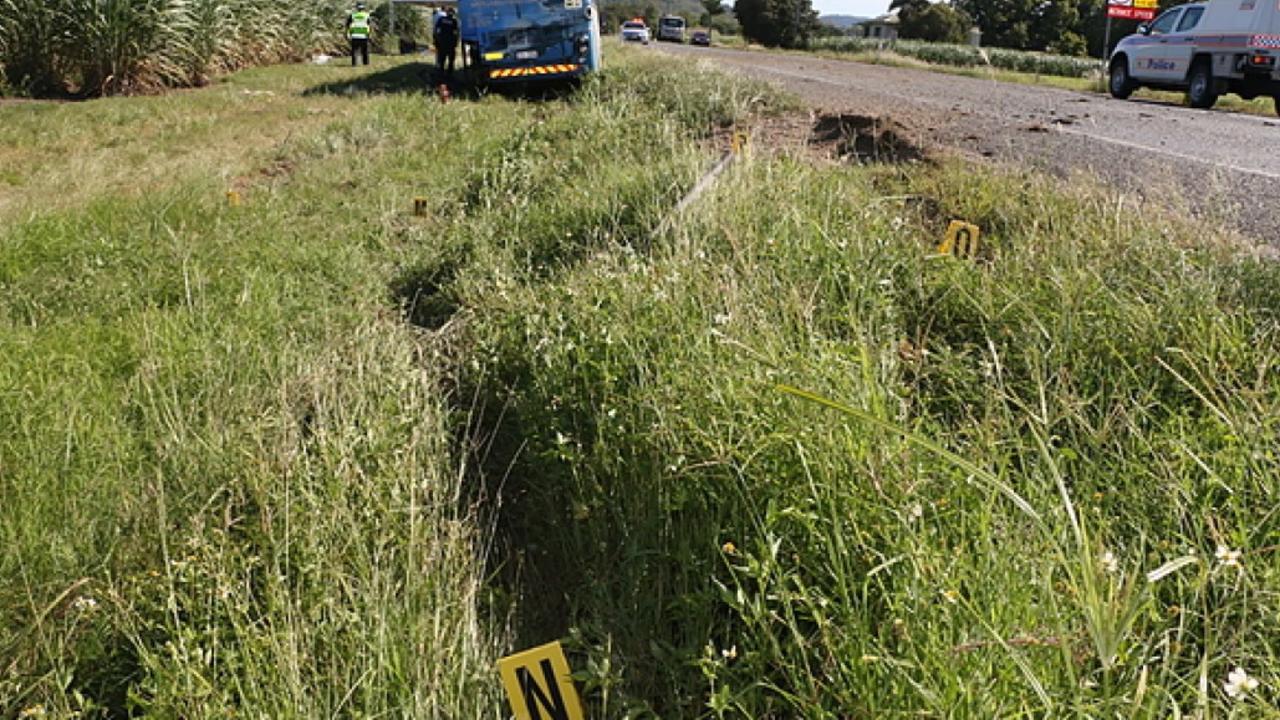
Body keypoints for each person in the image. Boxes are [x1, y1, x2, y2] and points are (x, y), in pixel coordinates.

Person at [433, 7, 459, 74]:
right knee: (451, 60)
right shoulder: (454, 21)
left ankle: (441, 73)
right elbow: (455, 33)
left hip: (442, 43)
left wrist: (436, 40)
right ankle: (449, 74)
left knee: (442, 59)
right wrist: (455, 43)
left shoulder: (441, 19)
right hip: (450, 44)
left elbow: (437, 31)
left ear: (446, 13)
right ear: (453, 13)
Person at [346, 2, 372, 67]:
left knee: (354, 51)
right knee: (365, 51)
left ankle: (354, 64)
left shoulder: (353, 15)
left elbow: (347, 25)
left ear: (357, 8)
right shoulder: (367, 15)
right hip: (364, 35)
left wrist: (349, 33)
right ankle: (365, 63)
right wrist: (369, 34)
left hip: (355, 35)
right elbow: (369, 25)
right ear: (363, 8)